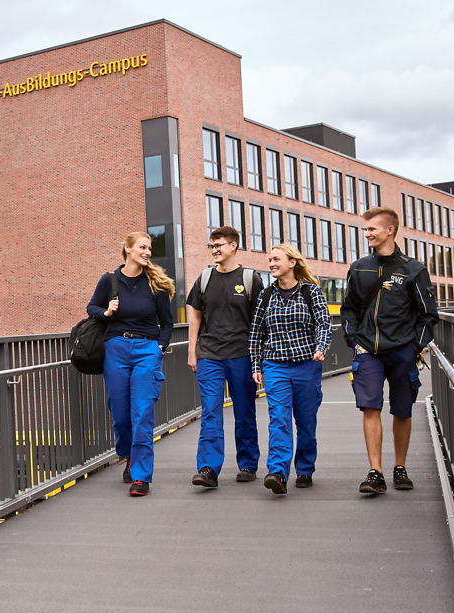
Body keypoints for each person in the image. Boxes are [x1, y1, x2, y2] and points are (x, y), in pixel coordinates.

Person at [341, 206, 439, 495]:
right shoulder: (359, 267)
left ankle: (400, 467)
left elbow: (428, 314)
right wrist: (354, 340)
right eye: (366, 229)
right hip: (368, 351)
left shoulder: (414, 269)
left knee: (402, 410)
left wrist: (414, 347)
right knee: (370, 407)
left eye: (372, 229)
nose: (367, 234)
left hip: (402, 352)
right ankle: (376, 472)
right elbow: (349, 309)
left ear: (390, 230)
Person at [87, 230, 176, 497]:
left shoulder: (156, 284)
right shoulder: (109, 280)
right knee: (120, 411)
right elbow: (91, 308)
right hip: (115, 349)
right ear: (127, 249)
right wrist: (106, 311)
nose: (147, 252)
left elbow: (167, 322)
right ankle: (127, 454)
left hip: (147, 350)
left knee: (143, 412)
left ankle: (141, 476)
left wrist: (160, 347)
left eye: (149, 248)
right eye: (142, 247)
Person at [249, 244, 332, 495]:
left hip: (307, 365)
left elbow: (324, 323)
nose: (271, 264)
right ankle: (278, 472)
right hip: (275, 366)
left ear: (292, 262)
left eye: (276, 259)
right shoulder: (266, 295)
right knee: (279, 419)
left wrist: (321, 346)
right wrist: (256, 365)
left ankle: (305, 468)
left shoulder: (310, 292)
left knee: (306, 422)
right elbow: (256, 333)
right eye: (270, 260)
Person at [186, 226, 263, 487]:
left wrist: (259, 359)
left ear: (233, 246)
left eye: (219, 245)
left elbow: (259, 321)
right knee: (210, 412)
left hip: (242, 355)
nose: (214, 250)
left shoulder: (251, 279)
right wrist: (192, 351)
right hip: (209, 355)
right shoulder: (205, 278)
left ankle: (248, 464)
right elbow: (195, 315)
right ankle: (208, 468)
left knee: (244, 411)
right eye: (212, 245)